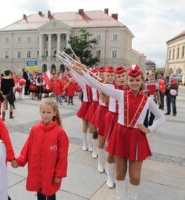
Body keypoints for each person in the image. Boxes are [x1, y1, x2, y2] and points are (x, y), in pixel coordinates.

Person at [71, 63, 165, 200]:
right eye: (131, 80)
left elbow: (161, 117)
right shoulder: (121, 94)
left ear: (142, 81)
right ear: (128, 80)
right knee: (120, 173)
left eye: (137, 80)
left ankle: (132, 197)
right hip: (120, 135)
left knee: (135, 176)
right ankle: (120, 197)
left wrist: (149, 129)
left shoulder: (147, 100)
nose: (134, 83)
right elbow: (99, 86)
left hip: (137, 138)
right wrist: (82, 73)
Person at [12, 99, 69, 200]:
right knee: (39, 193)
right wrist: (19, 161)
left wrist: (59, 174)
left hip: (50, 174)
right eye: (43, 112)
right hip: (36, 171)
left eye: (49, 112)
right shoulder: (35, 129)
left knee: (50, 193)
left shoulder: (60, 133)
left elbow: (63, 157)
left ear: (54, 113)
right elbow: (27, 148)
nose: (46, 115)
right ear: (40, 112)